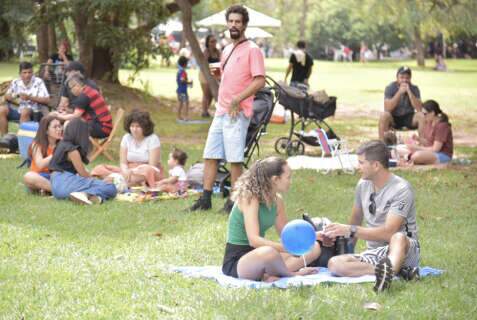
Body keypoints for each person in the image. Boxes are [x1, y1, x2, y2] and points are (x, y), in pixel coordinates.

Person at [190, 4, 266, 213]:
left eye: (238, 22)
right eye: (231, 21)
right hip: (221, 111)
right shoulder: (227, 49)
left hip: (237, 112)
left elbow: (260, 81)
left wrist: (237, 99)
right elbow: (230, 77)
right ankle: (205, 200)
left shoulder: (253, 50)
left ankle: (234, 202)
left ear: (244, 25)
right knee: (210, 154)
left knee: (234, 159)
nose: (234, 25)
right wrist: (219, 77)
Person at [325, 140, 420, 292]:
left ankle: (392, 270)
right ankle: (393, 272)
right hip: (375, 253)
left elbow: (389, 232)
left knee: (398, 237)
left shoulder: (401, 189)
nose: (358, 167)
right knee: (335, 264)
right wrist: (346, 248)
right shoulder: (362, 184)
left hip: (404, 249)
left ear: (376, 165)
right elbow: (356, 219)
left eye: (361, 163)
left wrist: (350, 229)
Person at [222, 157, 321, 281]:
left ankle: (272, 274)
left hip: (260, 254)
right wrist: (289, 250)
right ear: (275, 179)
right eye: (288, 177)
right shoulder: (250, 198)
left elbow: (287, 236)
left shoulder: (277, 201)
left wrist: (313, 237)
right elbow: (254, 240)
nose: (290, 181)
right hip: (238, 260)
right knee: (269, 253)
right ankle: (290, 274)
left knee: (314, 248)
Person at [48, 118, 117, 205]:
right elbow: (83, 174)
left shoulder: (61, 144)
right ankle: (86, 194)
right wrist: (101, 181)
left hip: (55, 187)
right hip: (65, 182)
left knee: (96, 184)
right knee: (110, 187)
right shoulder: (72, 150)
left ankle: (91, 197)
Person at [91, 109, 163, 188]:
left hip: (146, 172)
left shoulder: (152, 139)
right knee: (99, 169)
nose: (134, 129)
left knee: (147, 171)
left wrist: (132, 171)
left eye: (138, 126)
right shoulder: (126, 138)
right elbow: (123, 163)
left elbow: (152, 165)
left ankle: (116, 181)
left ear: (145, 127)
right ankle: (121, 181)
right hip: (127, 171)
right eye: (132, 126)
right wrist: (125, 171)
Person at [50, 74, 112, 139]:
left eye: (71, 88)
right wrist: (65, 114)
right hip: (104, 126)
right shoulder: (88, 90)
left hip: (102, 129)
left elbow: (75, 116)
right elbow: (78, 113)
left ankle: (69, 147)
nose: (71, 91)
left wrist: (57, 116)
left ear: (77, 85)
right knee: (72, 124)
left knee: (69, 125)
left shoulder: (84, 96)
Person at [0, 62, 50, 135]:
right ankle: (5, 139)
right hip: (17, 109)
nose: (27, 75)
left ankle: (22, 139)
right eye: (24, 73)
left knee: (25, 111)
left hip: (34, 111)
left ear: (32, 73)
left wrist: (29, 97)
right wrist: (11, 97)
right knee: (1, 110)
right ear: (20, 74)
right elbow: (7, 95)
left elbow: (47, 100)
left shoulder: (38, 82)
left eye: (29, 72)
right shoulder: (16, 82)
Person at [379, 66, 424, 140]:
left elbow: (419, 109)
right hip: (394, 117)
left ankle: (423, 144)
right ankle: (382, 144)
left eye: (407, 78)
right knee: (384, 115)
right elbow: (387, 108)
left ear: (410, 79)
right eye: (402, 77)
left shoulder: (414, 88)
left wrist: (409, 93)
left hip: (409, 117)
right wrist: (399, 92)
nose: (404, 80)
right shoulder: (390, 88)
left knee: (421, 116)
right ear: (397, 78)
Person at [23, 115, 63, 194]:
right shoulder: (37, 144)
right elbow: (40, 164)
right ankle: (58, 191)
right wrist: (57, 152)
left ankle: (48, 190)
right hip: (40, 177)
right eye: (55, 127)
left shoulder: (63, 143)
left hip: (56, 176)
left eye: (60, 126)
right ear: (46, 131)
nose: (59, 129)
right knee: (28, 176)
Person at [406, 100, 453, 165]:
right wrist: (418, 139)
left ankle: (413, 158)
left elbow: (435, 149)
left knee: (417, 156)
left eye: (425, 114)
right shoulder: (429, 123)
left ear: (432, 113)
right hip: (432, 153)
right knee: (405, 151)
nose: (423, 116)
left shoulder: (442, 126)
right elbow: (429, 142)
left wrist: (417, 148)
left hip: (443, 155)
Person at [199, 34, 221, 118]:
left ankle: (206, 110)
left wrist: (218, 76)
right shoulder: (206, 52)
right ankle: (204, 112)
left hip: (214, 73)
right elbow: (204, 65)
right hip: (204, 74)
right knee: (206, 93)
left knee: (212, 93)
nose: (214, 43)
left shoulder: (217, 51)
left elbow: (219, 63)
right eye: (212, 41)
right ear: (208, 43)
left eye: (215, 41)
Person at [176, 56, 192, 121]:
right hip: (183, 91)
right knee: (186, 103)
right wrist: (189, 82)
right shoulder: (183, 72)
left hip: (179, 90)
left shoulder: (179, 71)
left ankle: (179, 116)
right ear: (185, 64)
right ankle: (185, 117)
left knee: (181, 103)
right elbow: (182, 80)